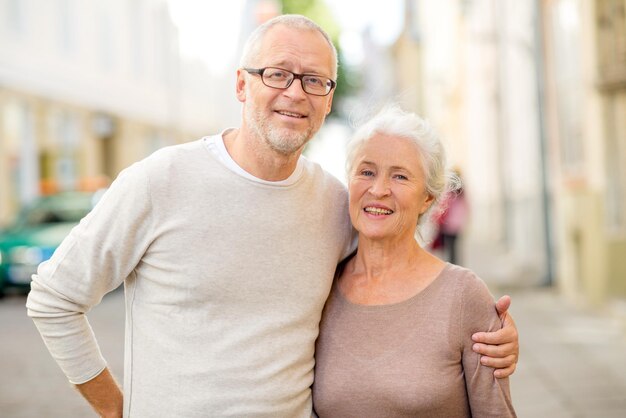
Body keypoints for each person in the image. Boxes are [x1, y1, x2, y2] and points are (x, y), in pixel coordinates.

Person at [27, 15, 518, 418]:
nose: (295, 93)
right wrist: (117, 411)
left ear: (328, 101)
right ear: (242, 84)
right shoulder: (161, 180)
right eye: (278, 73)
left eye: (314, 81)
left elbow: (393, 283)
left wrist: (488, 339)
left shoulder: (333, 203)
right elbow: (53, 299)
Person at [313, 105, 516, 417]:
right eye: (366, 172)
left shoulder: (462, 295)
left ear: (428, 198)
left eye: (400, 176)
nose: (378, 189)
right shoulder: (320, 287)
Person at [433, 168, 469, 264]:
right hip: (457, 224)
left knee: (447, 247)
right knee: (454, 247)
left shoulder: (450, 190)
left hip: (447, 223)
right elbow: (466, 207)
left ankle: (450, 265)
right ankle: (456, 265)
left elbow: (443, 205)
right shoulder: (462, 191)